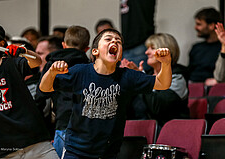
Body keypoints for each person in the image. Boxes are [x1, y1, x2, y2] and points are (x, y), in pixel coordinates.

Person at [39, 28, 172, 159]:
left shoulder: (127, 76)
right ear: (95, 51)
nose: (114, 42)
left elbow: (162, 83)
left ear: (120, 54)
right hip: (76, 151)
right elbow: (45, 88)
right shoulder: (80, 72)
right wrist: (51, 72)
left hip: (108, 153)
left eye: (118, 42)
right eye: (108, 39)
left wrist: (166, 63)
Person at [0, 21, 59, 159]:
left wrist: (24, 52)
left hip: (36, 143)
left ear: (1, 44)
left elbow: (36, 62)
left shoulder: (12, 63)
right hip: (6, 150)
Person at [36, 25, 90, 158]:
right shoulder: (90, 66)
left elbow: (40, 96)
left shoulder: (52, 65)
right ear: (87, 49)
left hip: (63, 123)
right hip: (87, 126)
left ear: (63, 45)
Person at [121, 33, 190, 129]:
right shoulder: (147, 74)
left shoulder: (177, 78)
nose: (146, 52)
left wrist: (141, 80)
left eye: (152, 48)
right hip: (139, 131)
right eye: (147, 48)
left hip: (169, 133)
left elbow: (157, 107)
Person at [188, 7, 222, 83]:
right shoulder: (196, 48)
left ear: (211, 26)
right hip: (193, 87)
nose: (195, 27)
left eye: (199, 24)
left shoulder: (222, 48)